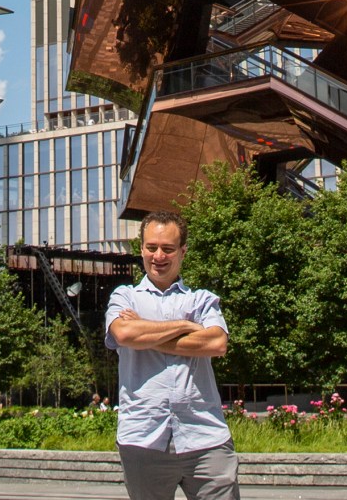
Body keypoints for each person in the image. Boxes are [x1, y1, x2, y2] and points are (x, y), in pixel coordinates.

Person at [104, 213, 236, 500]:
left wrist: (147, 335)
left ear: (183, 252)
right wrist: (185, 327)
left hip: (205, 436)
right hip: (143, 437)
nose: (158, 256)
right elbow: (124, 335)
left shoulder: (201, 299)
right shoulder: (124, 297)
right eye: (151, 247)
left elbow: (216, 342)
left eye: (168, 248)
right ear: (141, 248)